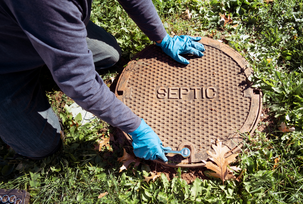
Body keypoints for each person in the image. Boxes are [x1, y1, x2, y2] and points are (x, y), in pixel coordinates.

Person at [0, 0, 205, 162]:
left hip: (41, 21)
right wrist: (136, 127)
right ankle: (55, 46)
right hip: (7, 62)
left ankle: (57, 42)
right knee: (40, 145)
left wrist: (162, 38)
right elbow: (80, 82)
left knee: (110, 55)